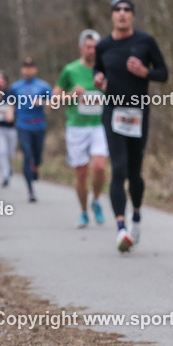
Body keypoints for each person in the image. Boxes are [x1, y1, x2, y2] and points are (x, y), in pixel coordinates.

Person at [93, 0, 168, 252]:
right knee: (119, 168)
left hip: (138, 113)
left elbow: (164, 73)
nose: (122, 13)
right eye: (117, 10)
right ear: (112, 15)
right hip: (112, 112)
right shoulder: (103, 46)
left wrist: (145, 73)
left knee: (135, 171)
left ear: (132, 15)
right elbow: (97, 70)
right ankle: (121, 228)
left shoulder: (145, 42)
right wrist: (98, 78)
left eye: (127, 10)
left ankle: (136, 215)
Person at [53, 29, 109, 228]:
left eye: (95, 47)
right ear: (81, 47)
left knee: (100, 167)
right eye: (88, 47)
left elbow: (120, 94)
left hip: (99, 126)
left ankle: (96, 200)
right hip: (76, 127)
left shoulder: (105, 70)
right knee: (82, 173)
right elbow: (53, 101)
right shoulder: (70, 70)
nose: (92, 51)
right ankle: (84, 211)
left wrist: (106, 89)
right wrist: (71, 95)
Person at [7, 57, 52, 202]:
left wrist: (43, 103)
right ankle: (30, 190)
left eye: (31, 67)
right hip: (22, 125)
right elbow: (10, 103)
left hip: (39, 125)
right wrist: (9, 113)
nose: (28, 70)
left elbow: (52, 103)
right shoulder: (15, 87)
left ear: (35, 69)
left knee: (37, 155)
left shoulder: (43, 86)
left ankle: (37, 166)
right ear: (22, 69)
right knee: (27, 155)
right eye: (26, 67)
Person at [0, 71, 16, 187]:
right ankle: (5, 176)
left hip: (11, 128)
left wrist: (11, 113)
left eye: (1, 79)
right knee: (2, 152)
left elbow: (13, 106)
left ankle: (8, 167)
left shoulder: (10, 92)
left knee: (10, 153)